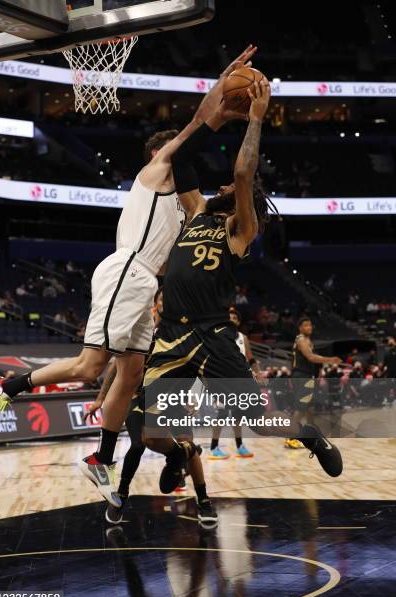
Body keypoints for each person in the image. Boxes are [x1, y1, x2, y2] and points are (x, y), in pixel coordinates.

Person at [0, 45, 258, 507]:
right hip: (127, 270)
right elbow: (195, 126)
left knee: (131, 375)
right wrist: (222, 87)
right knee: (90, 366)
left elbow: (219, 190)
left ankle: (102, 458)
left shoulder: (189, 203)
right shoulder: (158, 170)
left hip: (144, 283)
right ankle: (6, 387)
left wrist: (230, 118)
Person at [139, 79, 343, 496]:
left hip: (212, 334)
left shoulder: (239, 231)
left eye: (228, 191)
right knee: (150, 435)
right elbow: (182, 160)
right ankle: (178, 454)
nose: (222, 188)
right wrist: (213, 107)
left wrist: (255, 119)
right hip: (171, 335)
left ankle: (310, 436)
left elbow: (243, 171)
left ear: (239, 201)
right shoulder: (196, 212)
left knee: (257, 421)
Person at [86, 287, 217, 527]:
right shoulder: (144, 330)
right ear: (156, 304)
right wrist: (100, 398)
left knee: (189, 445)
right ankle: (122, 494)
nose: (167, 303)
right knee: (140, 442)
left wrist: (195, 398)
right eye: (163, 299)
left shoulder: (187, 335)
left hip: (173, 398)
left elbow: (201, 369)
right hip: (138, 396)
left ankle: (204, 501)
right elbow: (116, 366)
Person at [209, 307, 261, 459]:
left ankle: (239, 446)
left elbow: (250, 358)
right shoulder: (219, 336)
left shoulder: (242, 337)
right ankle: (213, 447)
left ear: (238, 322)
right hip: (223, 381)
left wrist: (258, 372)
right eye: (229, 317)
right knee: (222, 413)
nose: (232, 320)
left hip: (241, 382)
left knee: (238, 415)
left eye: (235, 318)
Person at [284, 317, 341, 449]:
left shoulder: (308, 340)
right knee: (301, 407)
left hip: (306, 375)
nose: (309, 327)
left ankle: (312, 434)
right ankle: (290, 437)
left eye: (310, 325)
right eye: (305, 325)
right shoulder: (301, 339)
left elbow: (312, 358)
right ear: (300, 328)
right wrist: (330, 359)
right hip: (302, 376)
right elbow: (310, 357)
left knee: (309, 407)